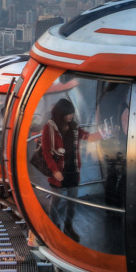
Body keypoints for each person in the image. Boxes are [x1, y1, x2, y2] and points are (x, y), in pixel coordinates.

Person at [39, 98, 91, 241]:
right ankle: (55, 227)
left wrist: (105, 134)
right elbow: (46, 152)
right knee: (56, 201)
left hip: (73, 170)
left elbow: (87, 136)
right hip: (59, 172)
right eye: (68, 114)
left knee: (72, 202)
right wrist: (55, 171)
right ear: (60, 113)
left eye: (72, 113)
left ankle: (68, 226)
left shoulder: (74, 126)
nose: (71, 116)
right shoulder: (49, 128)